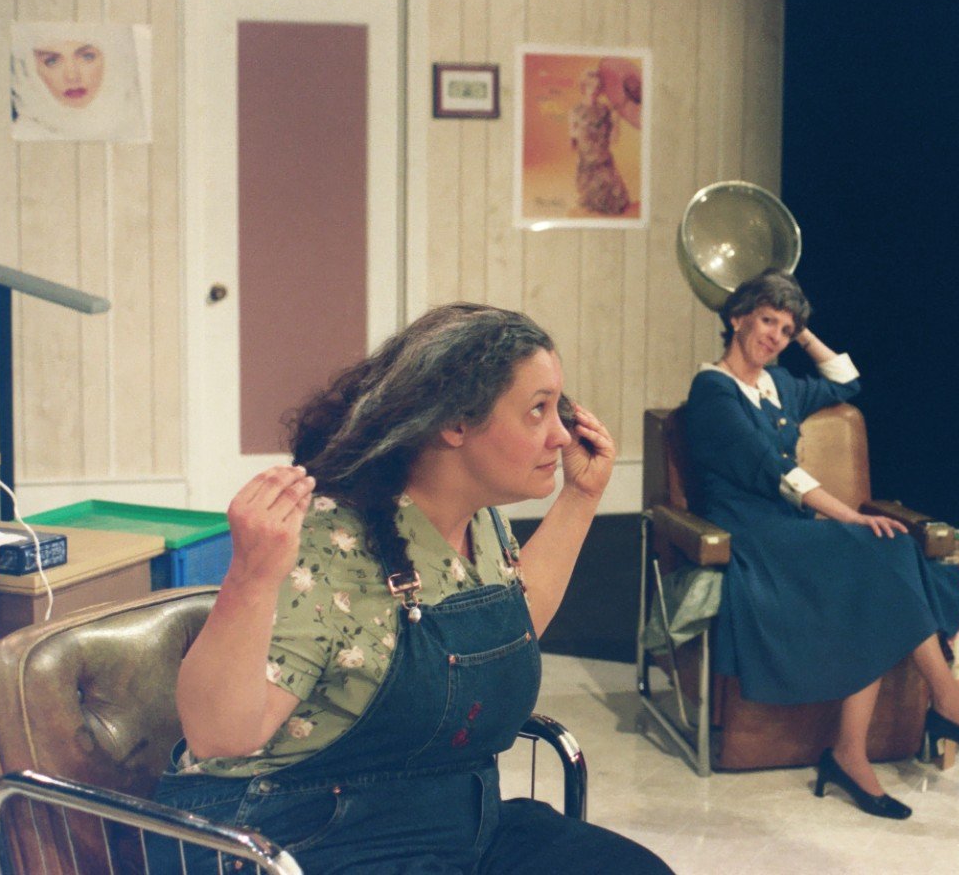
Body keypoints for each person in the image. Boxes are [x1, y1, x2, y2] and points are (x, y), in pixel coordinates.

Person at [152, 304, 673, 874]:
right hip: (296, 841)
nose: (562, 434)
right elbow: (219, 737)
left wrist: (581, 497)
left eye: (559, 408)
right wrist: (249, 577)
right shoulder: (328, 542)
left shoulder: (482, 522)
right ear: (456, 423)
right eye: (537, 410)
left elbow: (515, 626)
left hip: (451, 829)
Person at [682, 268, 959, 821]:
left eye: (786, 329)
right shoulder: (712, 389)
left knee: (889, 557)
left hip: (789, 527)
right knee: (880, 551)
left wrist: (802, 331)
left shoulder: (779, 386)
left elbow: (846, 380)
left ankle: (854, 749)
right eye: (767, 321)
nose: (775, 336)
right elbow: (773, 469)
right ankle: (943, 700)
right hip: (749, 532)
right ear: (737, 318)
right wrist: (849, 516)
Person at [10, 22, 148, 142]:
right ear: (31, 70)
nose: (72, 76)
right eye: (52, 61)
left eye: (87, 57)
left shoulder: (143, 123)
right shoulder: (22, 135)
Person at [568, 67, 632, 216]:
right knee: (588, 201)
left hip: (603, 160)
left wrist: (616, 121)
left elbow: (613, 139)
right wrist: (577, 141)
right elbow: (572, 137)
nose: (593, 90)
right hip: (586, 160)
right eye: (590, 86)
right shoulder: (575, 111)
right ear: (583, 87)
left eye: (597, 86)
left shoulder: (605, 110)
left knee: (615, 205)